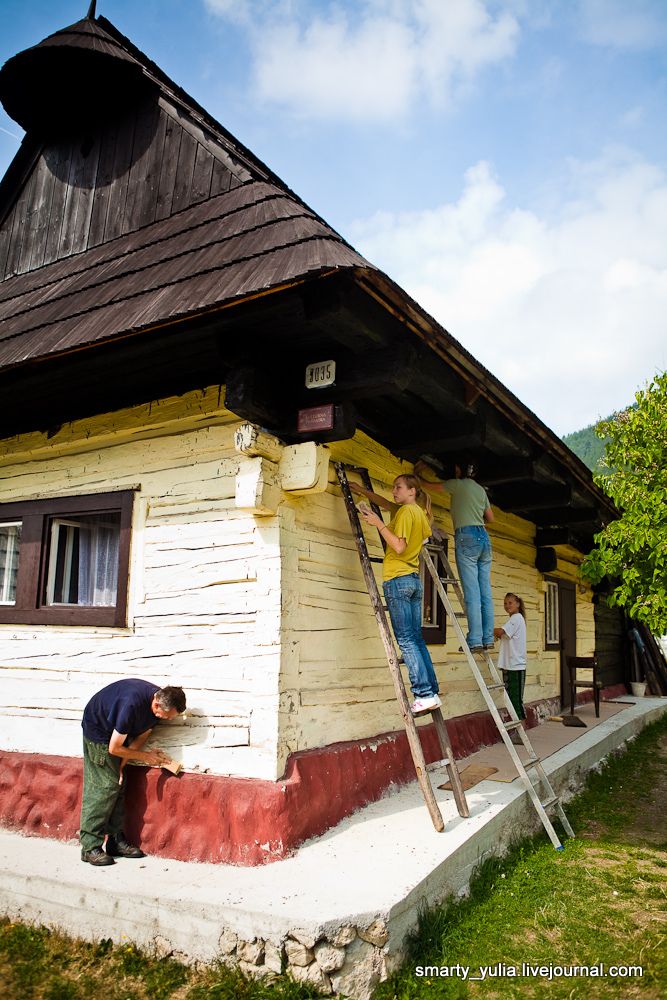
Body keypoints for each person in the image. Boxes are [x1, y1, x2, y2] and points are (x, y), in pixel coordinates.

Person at [350, 474, 441, 714]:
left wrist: (377, 524)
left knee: (406, 640)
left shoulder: (405, 513)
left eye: (398, 487)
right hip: (413, 580)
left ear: (412, 490)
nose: (393, 491)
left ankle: (422, 693)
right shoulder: (419, 514)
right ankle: (431, 691)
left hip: (397, 579)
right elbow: (388, 504)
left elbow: (399, 547)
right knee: (417, 639)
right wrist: (363, 490)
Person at [79, 679, 186, 866]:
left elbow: (139, 739)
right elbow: (114, 748)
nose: (168, 719)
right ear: (157, 703)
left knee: (117, 785)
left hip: (115, 738)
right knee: (103, 789)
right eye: (168, 715)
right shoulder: (131, 705)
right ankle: (89, 847)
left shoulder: (156, 711)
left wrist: (120, 767)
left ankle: (115, 840)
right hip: (99, 732)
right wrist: (146, 757)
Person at [415, 459, 494, 652]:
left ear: (459, 469)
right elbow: (490, 519)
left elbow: (426, 486)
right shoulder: (481, 491)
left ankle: (475, 639)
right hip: (484, 538)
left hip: (466, 536)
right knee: (485, 592)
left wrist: (417, 474)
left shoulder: (456, 484)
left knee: (472, 592)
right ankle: (488, 637)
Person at [494, 593, 527, 735]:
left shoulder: (516, 618)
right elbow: (503, 634)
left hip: (515, 666)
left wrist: (486, 628)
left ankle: (521, 732)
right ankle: (517, 730)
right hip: (510, 665)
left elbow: (501, 631)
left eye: (510, 603)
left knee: (516, 700)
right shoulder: (514, 620)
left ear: (517, 604)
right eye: (505, 603)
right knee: (511, 699)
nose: (507, 606)